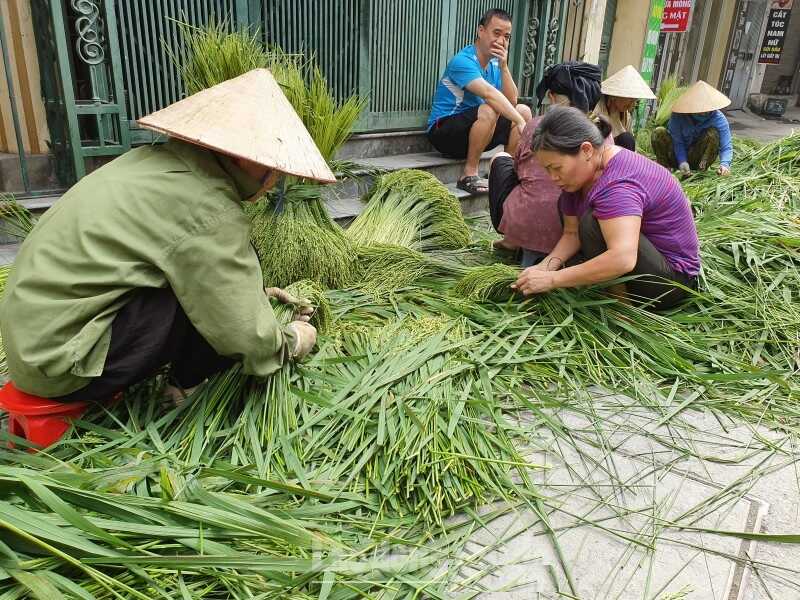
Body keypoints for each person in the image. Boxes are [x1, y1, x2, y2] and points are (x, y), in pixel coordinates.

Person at [0, 69, 325, 403]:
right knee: (211, 300)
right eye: (273, 166)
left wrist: (254, 293)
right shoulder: (207, 205)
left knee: (208, 282)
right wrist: (291, 341)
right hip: (64, 364)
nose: (273, 181)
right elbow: (242, 332)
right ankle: (183, 387)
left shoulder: (148, 162)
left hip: (32, 346)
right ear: (244, 156)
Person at [513, 106, 700, 311]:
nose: (553, 177)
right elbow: (571, 233)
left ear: (586, 150)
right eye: (547, 169)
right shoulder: (580, 177)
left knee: (592, 222)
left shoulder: (617, 184)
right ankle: (614, 293)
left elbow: (623, 259)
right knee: (575, 215)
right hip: (640, 262)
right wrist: (543, 268)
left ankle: (621, 309)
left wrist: (551, 280)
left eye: (557, 168)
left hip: (670, 283)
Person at [488, 61, 603, 267]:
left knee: (502, 160)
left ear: (551, 96)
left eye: (557, 168)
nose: (555, 178)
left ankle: (513, 239)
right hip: (579, 235)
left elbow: (519, 169)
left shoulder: (539, 127)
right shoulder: (603, 134)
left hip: (555, 231)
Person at [427, 8, 532, 195]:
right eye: (496, 33)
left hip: (476, 133)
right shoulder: (463, 61)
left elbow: (512, 101)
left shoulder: (494, 64)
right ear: (481, 31)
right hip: (443, 132)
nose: (501, 41)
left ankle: (502, 173)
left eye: (506, 36)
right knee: (491, 109)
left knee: (522, 110)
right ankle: (468, 175)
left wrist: (504, 67)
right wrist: (519, 122)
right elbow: (489, 94)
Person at [652, 80, 733, 177]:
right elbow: (678, 142)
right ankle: (664, 170)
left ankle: (699, 173)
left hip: (698, 157)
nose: (703, 112)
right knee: (658, 133)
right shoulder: (678, 115)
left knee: (712, 134)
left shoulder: (719, 119)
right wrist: (682, 161)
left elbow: (726, 146)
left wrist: (725, 164)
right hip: (676, 155)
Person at [593, 65, 655, 151]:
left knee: (627, 139)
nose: (632, 105)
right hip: (599, 152)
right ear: (615, 96)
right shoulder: (598, 110)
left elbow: (630, 141)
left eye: (635, 101)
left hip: (617, 155)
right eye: (630, 99)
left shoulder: (625, 115)